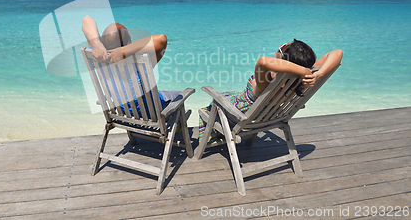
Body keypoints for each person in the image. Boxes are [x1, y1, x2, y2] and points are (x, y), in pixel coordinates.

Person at [199, 39, 343, 141]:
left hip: (238, 116)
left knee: (210, 106)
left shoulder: (267, 83)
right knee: (229, 94)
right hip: (266, 117)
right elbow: (338, 52)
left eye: (283, 47)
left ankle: (215, 135)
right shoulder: (302, 81)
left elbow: (262, 61)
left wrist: (303, 70)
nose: (281, 45)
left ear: (283, 59)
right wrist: (318, 74)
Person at [81, 15, 181, 112]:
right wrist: (124, 51)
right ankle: (176, 124)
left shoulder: (97, 58)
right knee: (179, 95)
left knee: (160, 93)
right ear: (128, 43)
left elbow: (86, 20)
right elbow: (161, 38)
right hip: (150, 112)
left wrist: (96, 44)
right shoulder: (140, 62)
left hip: (122, 112)